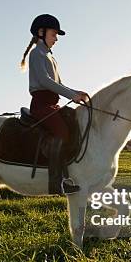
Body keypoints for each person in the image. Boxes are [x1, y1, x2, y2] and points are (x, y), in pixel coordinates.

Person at [20, 14, 89, 195]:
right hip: (41, 105)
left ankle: (66, 176)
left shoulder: (49, 56)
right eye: (54, 34)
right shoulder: (37, 53)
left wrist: (76, 93)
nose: (56, 38)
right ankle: (55, 183)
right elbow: (45, 81)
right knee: (61, 131)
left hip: (51, 104)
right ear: (41, 32)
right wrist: (71, 95)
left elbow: (58, 84)